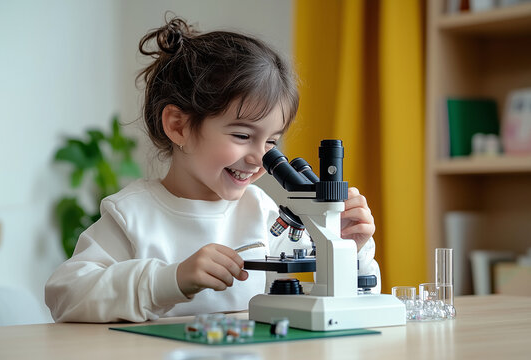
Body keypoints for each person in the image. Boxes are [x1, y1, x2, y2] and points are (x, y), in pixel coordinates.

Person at [45, 16, 379, 323]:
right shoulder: (132, 215)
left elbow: (349, 303)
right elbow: (65, 294)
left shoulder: (260, 212)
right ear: (179, 127)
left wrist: (350, 247)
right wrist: (169, 280)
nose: (258, 158)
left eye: (271, 143)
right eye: (242, 135)